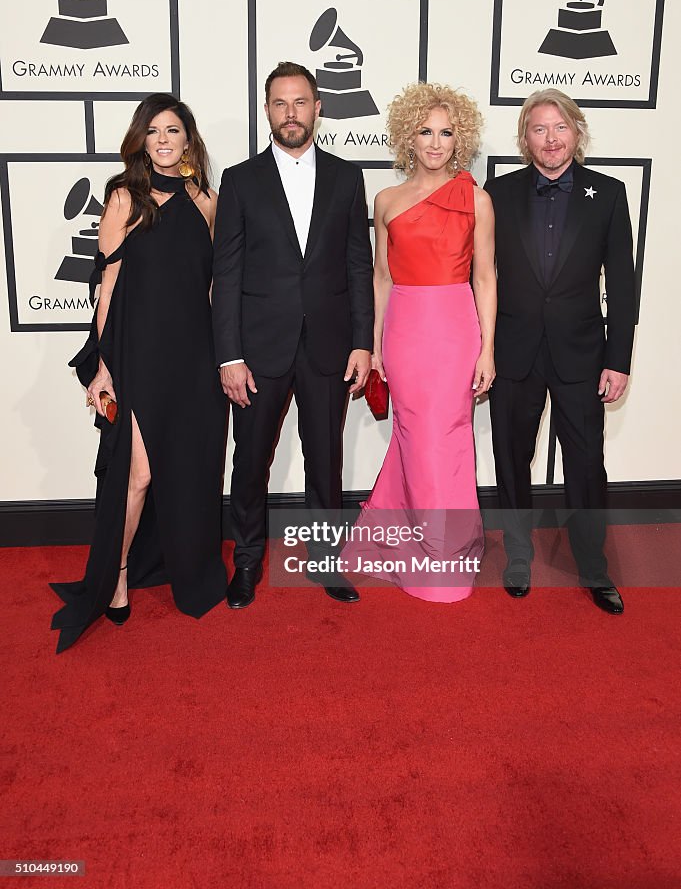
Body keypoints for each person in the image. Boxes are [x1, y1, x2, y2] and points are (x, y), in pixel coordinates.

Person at [51, 94, 228, 652]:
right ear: (142, 140)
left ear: (188, 138)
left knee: (191, 465)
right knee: (140, 474)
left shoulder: (207, 201)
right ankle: (119, 573)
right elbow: (107, 285)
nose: (164, 139)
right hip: (139, 353)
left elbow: (211, 286)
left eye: (173, 130)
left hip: (193, 358)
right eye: (154, 131)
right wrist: (102, 363)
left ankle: (184, 563)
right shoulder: (123, 196)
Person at [212, 61, 374, 609]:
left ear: (318, 108)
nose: (290, 113)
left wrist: (362, 342)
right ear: (267, 111)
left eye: (300, 102)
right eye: (280, 103)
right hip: (258, 348)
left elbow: (358, 266)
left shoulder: (348, 178)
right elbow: (226, 274)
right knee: (251, 458)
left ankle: (326, 560)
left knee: (325, 457)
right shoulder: (238, 180)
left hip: (329, 345)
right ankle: (249, 560)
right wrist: (228, 355)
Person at [340, 82, 496, 602]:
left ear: (461, 138)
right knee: (412, 434)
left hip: (454, 327)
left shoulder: (477, 199)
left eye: (446, 132)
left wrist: (488, 348)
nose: (436, 142)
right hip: (404, 329)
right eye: (426, 131)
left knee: (446, 436)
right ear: (408, 137)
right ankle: (413, 543)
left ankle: (444, 554)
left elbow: (486, 279)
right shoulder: (385, 200)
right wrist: (376, 346)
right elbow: (381, 277)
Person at [484, 88, 635, 613]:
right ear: (525, 138)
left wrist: (619, 359)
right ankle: (519, 555)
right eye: (539, 129)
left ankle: (594, 567)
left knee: (586, 464)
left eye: (560, 127)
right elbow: (481, 278)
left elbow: (623, 283)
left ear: (577, 131)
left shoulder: (610, 194)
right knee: (511, 457)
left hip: (582, 354)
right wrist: (481, 350)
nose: (551, 138)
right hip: (514, 350)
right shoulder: (497, 194)